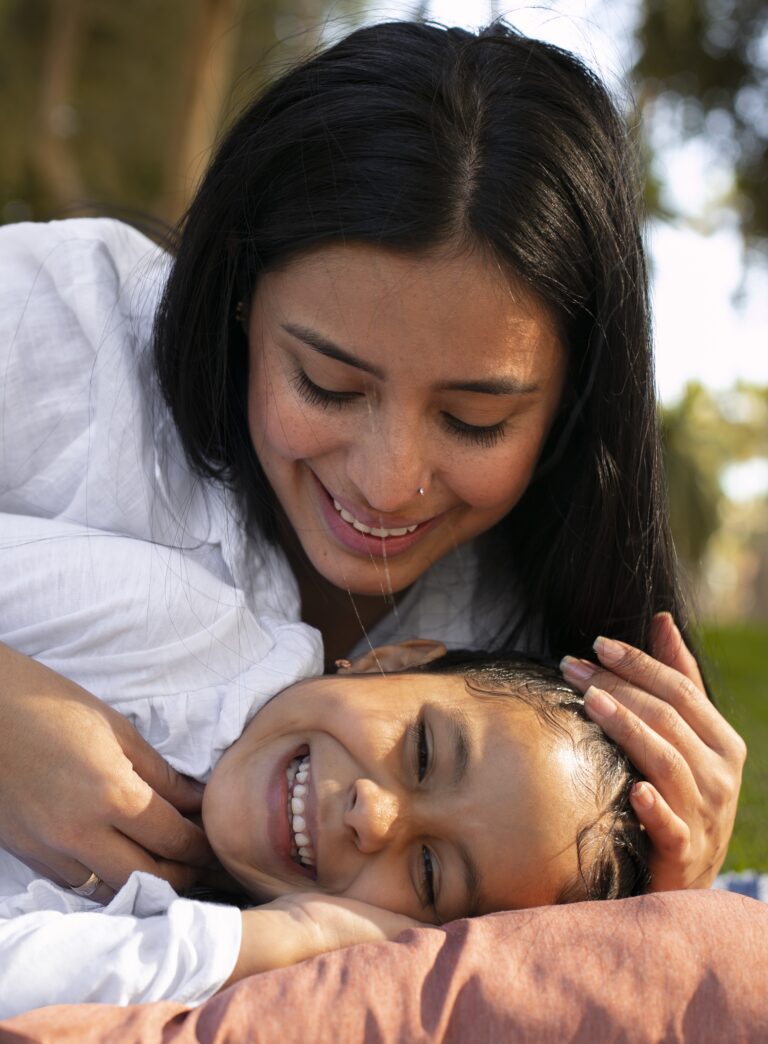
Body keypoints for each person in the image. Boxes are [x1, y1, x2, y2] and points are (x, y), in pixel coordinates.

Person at [0, 20, 745, 910]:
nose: (389, 483)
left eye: (474, 421)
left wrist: (657, 899)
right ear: (240, 295)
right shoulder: (63, 327)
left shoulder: (543, 677)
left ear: (570, 407)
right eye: (327, 384)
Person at [0, 634, 651, 1016]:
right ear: (391, 660)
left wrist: (280, 938)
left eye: (428, 872)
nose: (374, 814)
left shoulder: (235, 978)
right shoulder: (166, 624)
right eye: (422, 752)